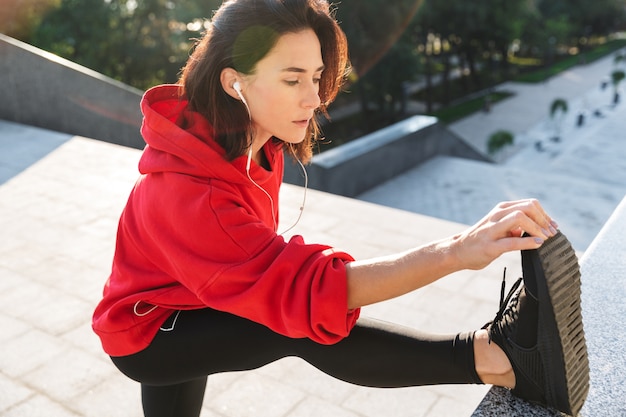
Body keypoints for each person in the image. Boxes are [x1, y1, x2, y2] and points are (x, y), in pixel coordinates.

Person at [92, 1, 588, 416]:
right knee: (301, 322)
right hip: (153, 331)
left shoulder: (248, 135)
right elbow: (319, 290)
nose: (313, 98)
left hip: (199, 292)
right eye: (292, 80)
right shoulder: (192, 196)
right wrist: (458, 250)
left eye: (316, 76)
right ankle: (499, 359)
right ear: (233, 82)